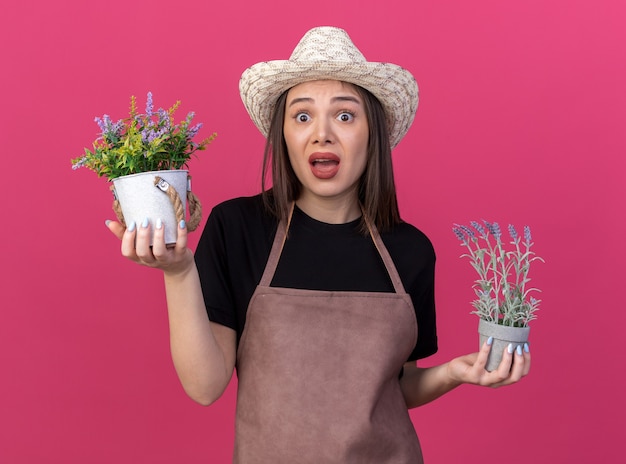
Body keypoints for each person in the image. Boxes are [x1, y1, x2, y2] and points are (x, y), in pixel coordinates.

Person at [106, 26, 530, 463]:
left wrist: (454, 374)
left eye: (345, 116)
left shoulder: (410, 250)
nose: (322, 133)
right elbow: (204, 385)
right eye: (302, 116)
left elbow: (395, 387)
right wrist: (178, 274)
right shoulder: (238, 228)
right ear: (284, 135)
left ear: (373, 134)